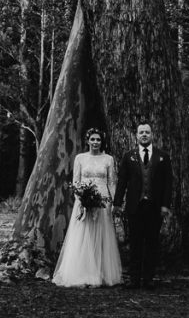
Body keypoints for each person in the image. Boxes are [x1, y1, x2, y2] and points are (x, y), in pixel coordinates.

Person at [52, 128, 122, 287]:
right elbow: (76, 180)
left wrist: (113, 202)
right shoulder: (80, 158)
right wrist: (81, 199)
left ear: (101, 142)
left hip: (103, 202)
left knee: (102, 236)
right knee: (85, 237)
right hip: (84, 201)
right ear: (88, 141)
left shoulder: (108, 159)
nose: (96, 142)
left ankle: (102, 273)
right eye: (93, 139)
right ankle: (84, 273)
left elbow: (111, 182)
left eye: (98, 140)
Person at [113, 119, 173, 289]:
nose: (144, 135)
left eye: (147, 132)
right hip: (134, 206)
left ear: (152, 135)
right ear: (136, 136)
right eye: (141, 132)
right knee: (135, 243)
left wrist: (165, 205)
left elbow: (168, 183)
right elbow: (122, 181)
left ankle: (148, 279)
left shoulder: (163, 157)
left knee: (152, 243)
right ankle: (134, 279)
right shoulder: (128, 156)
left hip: (155, 207)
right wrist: (117, 203)